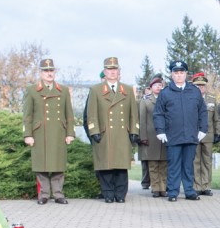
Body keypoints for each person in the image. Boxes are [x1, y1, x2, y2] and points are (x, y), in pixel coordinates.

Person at [22, 58, 76, 204]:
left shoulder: (63, 90)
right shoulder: (32, 90)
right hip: (40, 133)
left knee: (58, 165)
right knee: (42, 165)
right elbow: (27, 115)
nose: (49, 73)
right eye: (46, 71)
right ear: (41, 73)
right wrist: (28, 134)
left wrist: (70, 133)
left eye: (51, 70)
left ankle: (58, 194)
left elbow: (69, 114)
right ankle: (44, 195)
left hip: (59, 132)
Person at [86, 57, 139, 203]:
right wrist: (94, 131)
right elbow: (91, 114)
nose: (112, 72)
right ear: (104, 71)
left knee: (121, 166)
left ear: (119, 71)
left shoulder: (127, 90)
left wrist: (134, 131)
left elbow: (134, 114)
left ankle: (120, 194)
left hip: (122, 133)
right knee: (106, 166)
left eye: (115, 69)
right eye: (109, 69)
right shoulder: (96, 90)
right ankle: (108, 194)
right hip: (104, 133)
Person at [154, 60, 208, 201]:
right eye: (176, 73)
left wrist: (203, 129)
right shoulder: (165, 93)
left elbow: (202, 111)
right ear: (172, 74)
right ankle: (173, 192)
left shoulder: (194, 91)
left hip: (190, 135)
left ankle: (189, 191)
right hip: (173, 135)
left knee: (188, 165)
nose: (179, 75)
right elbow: (158, 113)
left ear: (186, 74)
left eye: (181, 72)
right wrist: (160, 131)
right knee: (174, 165)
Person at [191, 72, 220, 196]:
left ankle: (206, 186)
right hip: (194, 134)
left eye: (202, 85)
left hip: (208, 134)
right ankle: (197, 186)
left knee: (207, 161)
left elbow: (216, 118)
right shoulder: (189, 98)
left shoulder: (211, 99)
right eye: (198, 85)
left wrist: (218, 132)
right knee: (195, 161)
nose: (200, 88)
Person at [138, 75, 168, 198]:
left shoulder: (166, 99)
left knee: (164, 164)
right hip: (151, 136)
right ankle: (155, 188)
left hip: (165, 136)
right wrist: (143, 137)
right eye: (156, 85)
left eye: (160, 85)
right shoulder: (146, 101)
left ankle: (163, 188)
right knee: (153, 164)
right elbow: (142, 120)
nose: (158, 87)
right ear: (151, 88)